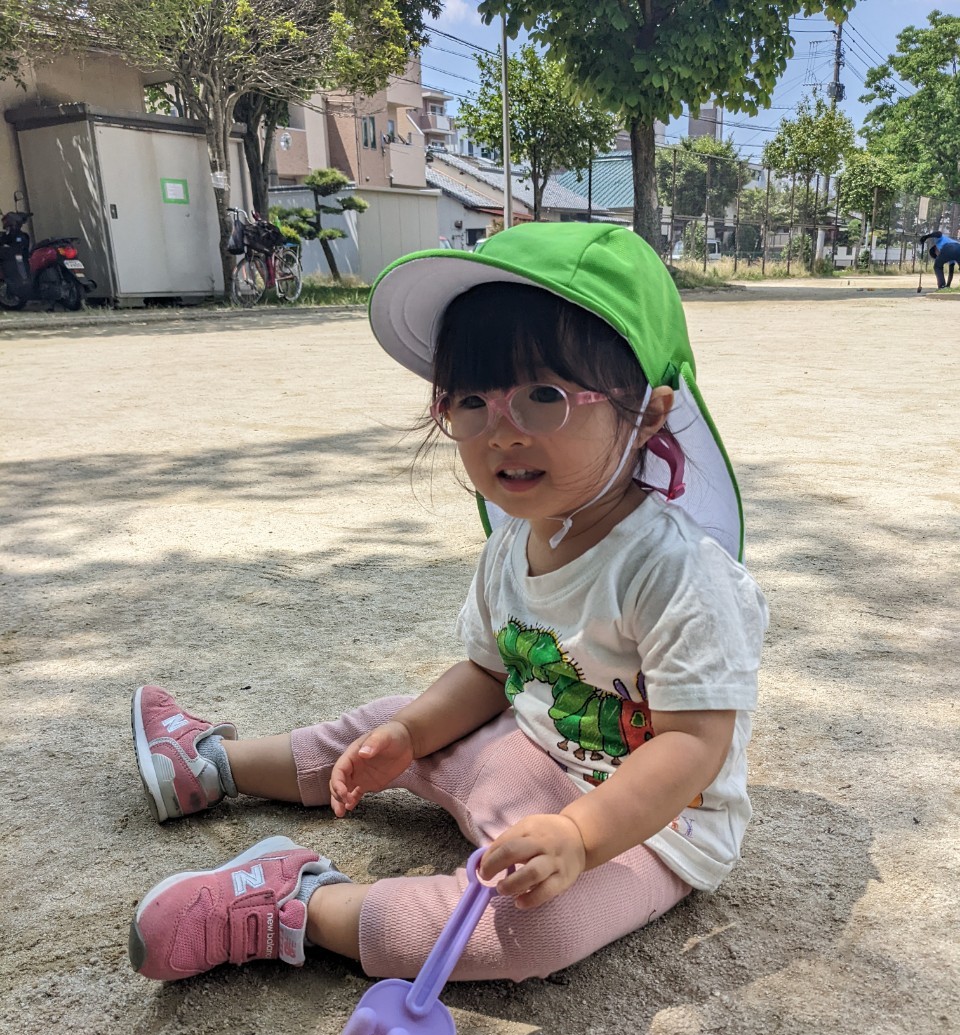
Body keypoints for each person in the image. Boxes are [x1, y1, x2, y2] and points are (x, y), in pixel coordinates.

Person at [128, 222, 768, 987]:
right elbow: (489, 674)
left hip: (648, 827)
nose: (501, 434)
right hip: (528, 758)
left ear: (649, 415)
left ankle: (296, 904)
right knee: (387, 725)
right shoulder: (514, 541)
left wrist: (579, 835)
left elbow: (692, 745)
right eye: (470, 402)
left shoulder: (679, 574)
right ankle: (212, 762)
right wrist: (410, 734)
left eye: (543, 397)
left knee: (539, 929)